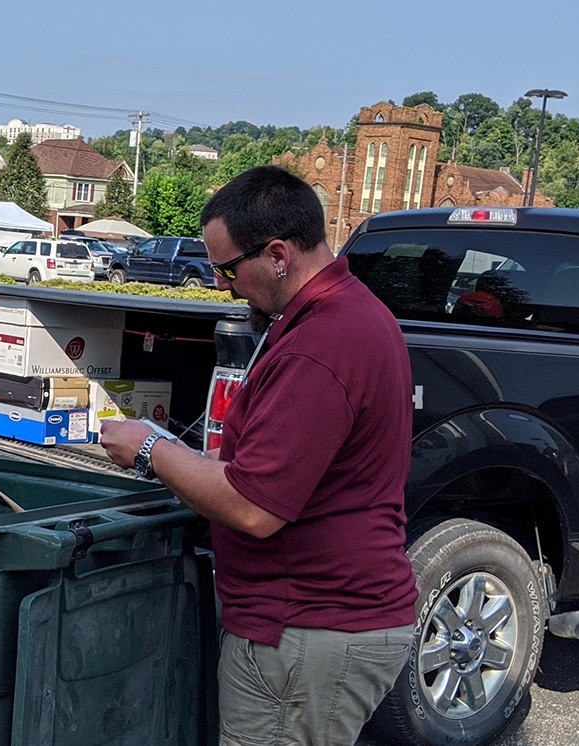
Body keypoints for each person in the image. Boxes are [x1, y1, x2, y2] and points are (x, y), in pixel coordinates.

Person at [99, 166, 418, 746]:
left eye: (228, 268)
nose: (223, 285)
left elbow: (253, 506)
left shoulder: (322, 345)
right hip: (321, 621)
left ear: (277, 255)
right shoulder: (345, 316)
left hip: (306, 628)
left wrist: (150, 448)